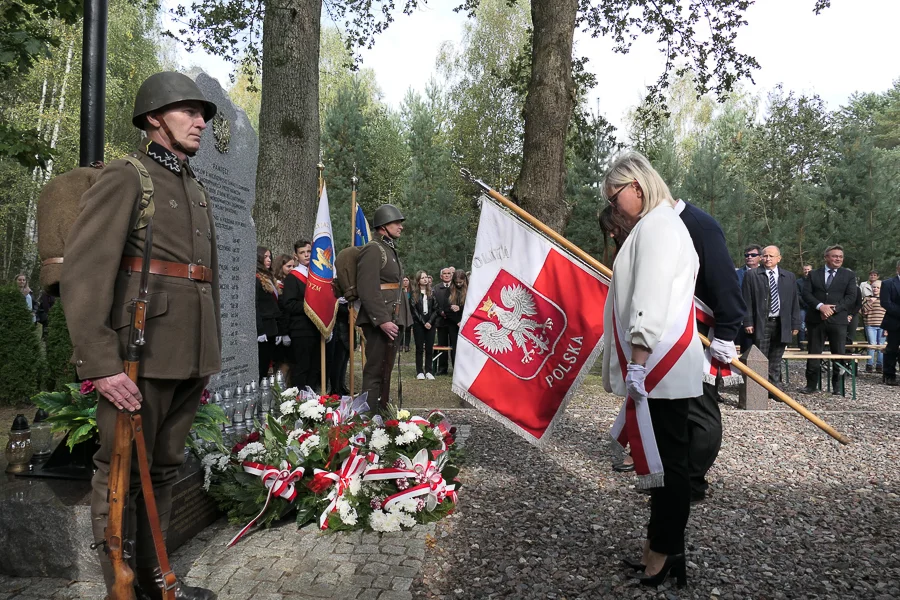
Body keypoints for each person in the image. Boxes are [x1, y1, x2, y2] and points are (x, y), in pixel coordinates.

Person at [60, 71, 220, 600]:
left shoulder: (194, 186)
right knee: (122, 472)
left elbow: (206, 277)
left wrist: (208, 356)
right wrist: (101, 364)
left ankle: (157, 579)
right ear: (154, 118)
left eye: (202, 115)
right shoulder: (129, 176)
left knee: (167, 468)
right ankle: (120, 587)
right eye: (188, 112)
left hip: (186, 353)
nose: (200, 122)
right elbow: (85, 272)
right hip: (138, 354)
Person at [601, 152, 702, 587]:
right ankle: (655, 548)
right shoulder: (657, 224)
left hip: (659, 362)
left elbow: (650, 295)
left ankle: (666, 555)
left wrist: (638, 362)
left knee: (669, 467)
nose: (612, 203)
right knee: (664, 465)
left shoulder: (659, 226)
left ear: (636, 187)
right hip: (662, 362)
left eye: (614, 193)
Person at [672, 200, 745, 504]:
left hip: (696, 331)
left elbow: (725, 282)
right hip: (673, 330)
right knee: (676, 409)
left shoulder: (698, 225)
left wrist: (727, 332)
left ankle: (691, 480)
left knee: (700, 410)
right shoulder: (664, 224)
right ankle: (675, 474)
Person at [356, 204, 412, 412]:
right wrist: (382, 320)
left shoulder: (388, 248)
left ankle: (381, 414)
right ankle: (367, 418)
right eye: (396, 222)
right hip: (381, 320)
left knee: (385, 369)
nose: (401, 227)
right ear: (383, 226)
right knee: (375, 371)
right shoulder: (373, 249)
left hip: (392, 317)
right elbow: (367, 288)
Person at [800, 245, 858, 395]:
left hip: (838, 320)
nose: (838, 259)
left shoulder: (848, 275)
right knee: (814, 352)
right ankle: (811, 384)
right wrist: (820, 307)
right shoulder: (813, 274)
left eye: (840, 257)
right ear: (826, 257)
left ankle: (837, 386)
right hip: (816, 319)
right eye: (834, 256)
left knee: (839, 353)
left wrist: (833, 309)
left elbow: (851, 297)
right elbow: (806, 294)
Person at [741, 246, 800, 389]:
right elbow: (746, 300)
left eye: (771, 256)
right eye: (765, 256)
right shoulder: (752, 275)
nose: (768, 259)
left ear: (779, 258)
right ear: (761, 258)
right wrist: (748, 321)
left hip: (782, 323)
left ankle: (774, 388)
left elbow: (794, 301)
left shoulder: (789, 276)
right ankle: (758, 389)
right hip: (762, 322)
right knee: (760, 356)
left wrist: (795, 324)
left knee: (776, 358)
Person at [283, 239, 320, 390]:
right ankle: (300, 401)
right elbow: (289, 304)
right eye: (302, 252)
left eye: (309, 252)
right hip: (301, 329)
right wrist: (309, 306)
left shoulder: (317, 275)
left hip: (317, 327)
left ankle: (313, 404)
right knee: (302, 367)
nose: (306, 255)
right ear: (296, 255)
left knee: (315, 368)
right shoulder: (293, 277)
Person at [255, 246, 281, 381]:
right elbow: (256, 305)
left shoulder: (269, 277)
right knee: (262, 363)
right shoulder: (257, 278)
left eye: (269, 256)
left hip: (272, 326)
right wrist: (260, 330)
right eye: (265, 257)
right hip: (263, 327)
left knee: (267, 363)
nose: (268, 260)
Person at [410, 270, 437, 380]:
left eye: (426, 277)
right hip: (419, 324)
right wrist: (423, 323)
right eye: (422, 278)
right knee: (419, 348)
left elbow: (436, 309)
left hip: (430, 323)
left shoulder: (432, 293)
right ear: (418, 280)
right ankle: (419, 371)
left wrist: (430, 322)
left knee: (429, 348)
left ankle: (429, 371)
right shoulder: (414, 294)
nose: (425, 279)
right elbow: (414, 311)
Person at [880, 260, 900, 386]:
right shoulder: (888, 283)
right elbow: (885, 303)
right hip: (894, 322)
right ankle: (889, 375)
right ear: (898, 268)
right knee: (892, 349)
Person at [433, 267, 454, 375]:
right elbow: (434, 303)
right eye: (444, 274)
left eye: (448, 273)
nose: (446, 275)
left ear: (451, 275)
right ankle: (442, 368)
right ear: (441, 276)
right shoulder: (436, 288)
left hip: (454, 322)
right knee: (442, 345)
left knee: (454, 345)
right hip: (441, 321)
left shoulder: (456, 287)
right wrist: (441, 312)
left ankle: (456, 368)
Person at [861, 280, 886, 374]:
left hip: (883, 325)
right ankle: (869, 365)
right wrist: (870, 303)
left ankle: (880, 365)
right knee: (872, 344)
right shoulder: (867, 298)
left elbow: (888, 313)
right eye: (874, 287)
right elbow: (863, 312)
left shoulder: (885, 299)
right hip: (870, 325)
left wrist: (887, 328)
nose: (875, 289)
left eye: (878, 287)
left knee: (881, 346)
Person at [446, 269, 468, 368]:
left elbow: (472, 307)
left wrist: (460, 308)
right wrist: (457, 321)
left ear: (465, 280)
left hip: (466, 322)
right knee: (455, 346)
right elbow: (445, 308)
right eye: (456, 282)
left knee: (466, 346)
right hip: (453, 323)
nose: (458, 284)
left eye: (461, 282)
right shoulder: (449, 290)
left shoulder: (470, 291)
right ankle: (456, 368)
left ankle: (466, 367)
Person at [797, 264, 813, 344]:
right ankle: (801, 344)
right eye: (805, 270)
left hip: (813, 307)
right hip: (802, 307)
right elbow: (798, 295)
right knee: (802, 326)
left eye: (808, 270)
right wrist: (805, 304)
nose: (807, 271)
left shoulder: (816, 281)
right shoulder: (798, 282)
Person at [401, 276, 412, 352]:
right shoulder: (400, 291)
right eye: (404, 280)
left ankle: (407, 345)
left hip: (410, 312)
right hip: (402, 312)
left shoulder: (411, 291)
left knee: (408, 329)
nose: (405, 282)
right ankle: (400, 345)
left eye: (406, 280)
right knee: (401, 328)